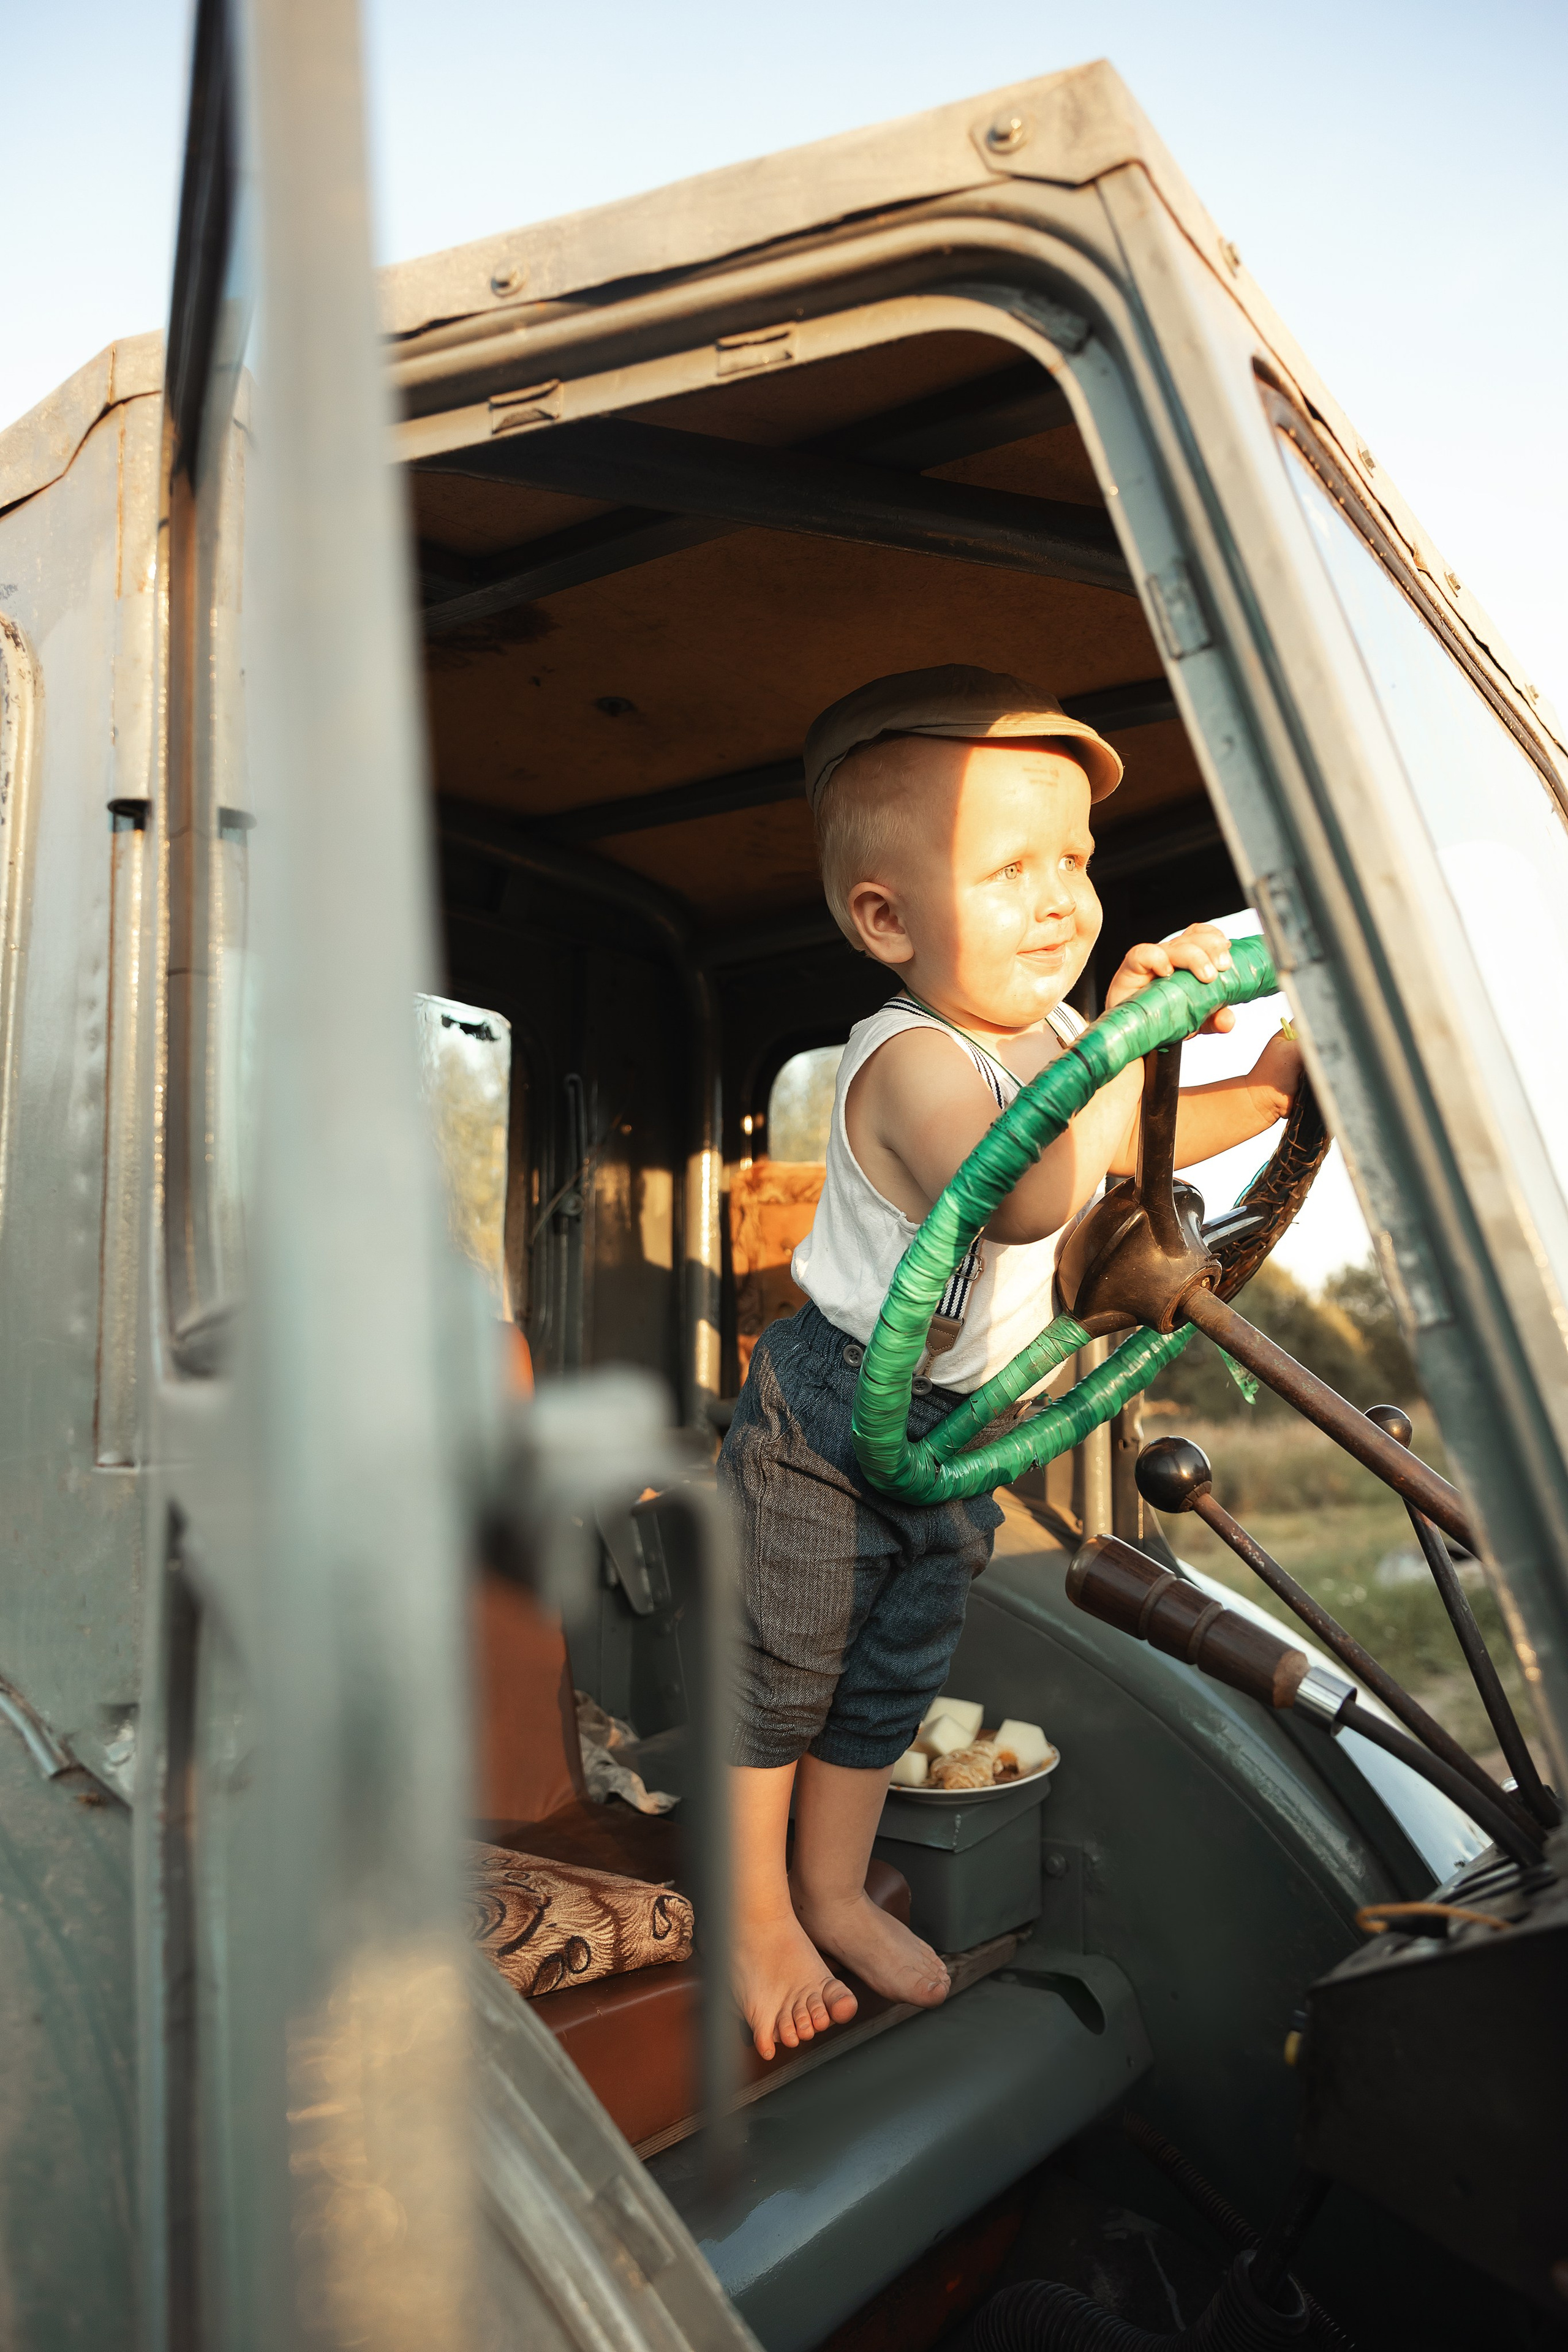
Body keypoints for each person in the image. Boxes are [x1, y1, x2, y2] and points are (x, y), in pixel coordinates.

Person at [718, 667, 1303, 2061]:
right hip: (826, 1410)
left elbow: (1113, 1149)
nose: (1062, 898)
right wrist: (1116, 1038)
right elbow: (1041, 1193)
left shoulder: (1047, 1043)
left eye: (1075, 863)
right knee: (785, 1663)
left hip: (956, 1422)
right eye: (1009, 869)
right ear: (885, 916)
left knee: (897, 1663)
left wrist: (1267, 1090)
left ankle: (829, 1887)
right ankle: (752, 1910)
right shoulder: (906, 1062)